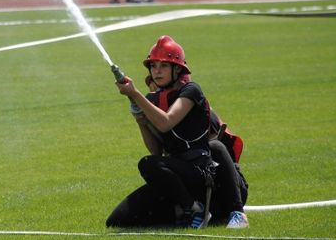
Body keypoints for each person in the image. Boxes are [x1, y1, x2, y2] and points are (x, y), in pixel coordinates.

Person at [106, 35, 249, 229]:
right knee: (117, 220)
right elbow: (156, 151)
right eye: (153, 66)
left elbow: (166, 123)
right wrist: (141, 120)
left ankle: (235, 212)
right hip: (182, 178)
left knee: (216, 146)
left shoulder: (191, 90)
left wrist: (135, 94)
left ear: (177, 69)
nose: (157, 71)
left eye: (163, 66)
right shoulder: (152, 100)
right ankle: (192, 209)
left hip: (208, 175)